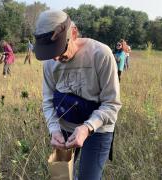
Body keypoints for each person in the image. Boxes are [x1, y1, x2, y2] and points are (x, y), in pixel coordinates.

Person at [33, 10, 121, 179]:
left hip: (98, 130)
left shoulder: (100, 54)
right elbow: (48, 101)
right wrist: (54, 130)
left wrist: (87, 128)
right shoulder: (50, 64)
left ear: (73, 33)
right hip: (65, 128)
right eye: (51, 53)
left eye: (59, 50)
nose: (56, 58)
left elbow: (112, 104)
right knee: (62, 176)